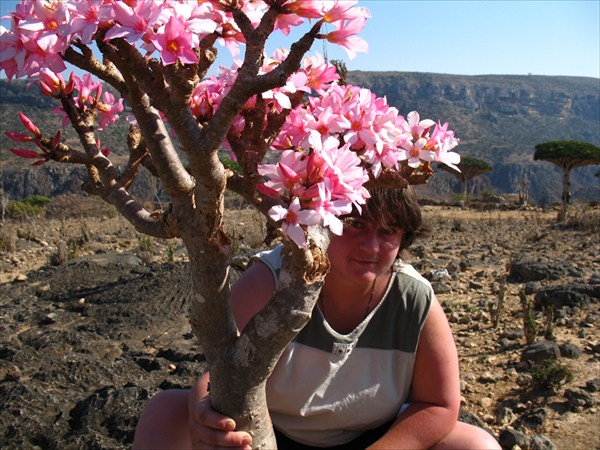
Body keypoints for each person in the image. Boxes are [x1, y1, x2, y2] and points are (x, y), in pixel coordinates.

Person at [133, 186, 501, 450]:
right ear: (319, 221)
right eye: (353, 224)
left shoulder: (414, 298)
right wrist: (204, 413)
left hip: (376, 438)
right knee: (167, 412)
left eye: (388, 231)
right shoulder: (271, 280)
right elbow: (222, 371)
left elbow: (438, 405)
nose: (371, 247)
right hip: (267, 435)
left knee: (475, 445)